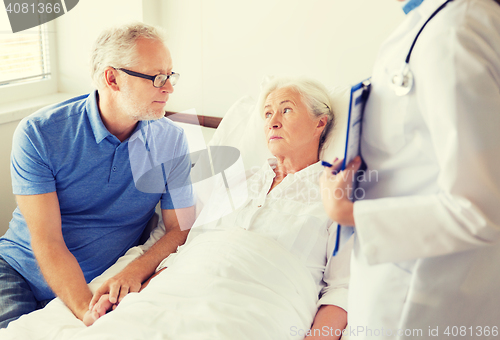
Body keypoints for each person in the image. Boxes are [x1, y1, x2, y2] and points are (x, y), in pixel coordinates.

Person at [81, 77, 350, 340]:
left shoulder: (336, 197)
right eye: (267, 113)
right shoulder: (237, 181)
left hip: (258, 309)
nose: (273, 122)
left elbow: (341, 289)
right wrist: (134, 300)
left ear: (320, 123)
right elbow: (189, 250)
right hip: (180, 290)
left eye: (286, 109)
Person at [320, 0, 500, 338]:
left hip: (422, 297)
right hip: (403, 279)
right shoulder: (431, 23)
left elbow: (482, 208)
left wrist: (347, 212)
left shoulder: (455, 31)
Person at [0, 22, 195, 328]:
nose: (168, 88)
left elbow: (179, 227)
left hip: (100, 283)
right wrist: (84, 311)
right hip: (17, 273)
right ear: (112, 78)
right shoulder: (39, 134)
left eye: (170, 76)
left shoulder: (171, 140)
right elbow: (48, 241)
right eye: (157, 78)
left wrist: (135, 270)